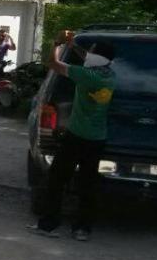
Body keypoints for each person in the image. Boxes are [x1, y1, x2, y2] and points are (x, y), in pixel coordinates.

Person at [31, 32, 116, 241]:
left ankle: (49, 224)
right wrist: (73, 44)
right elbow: (89, 57)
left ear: (98, 57)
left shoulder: (85, 75)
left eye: (93, 51)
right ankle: (82, 229)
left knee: (57, 179)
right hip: (97, 138)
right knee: (88, 184)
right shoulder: (109, 75)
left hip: (76, 135)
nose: (89, 54)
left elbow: (53, 63)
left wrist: (58, 43)